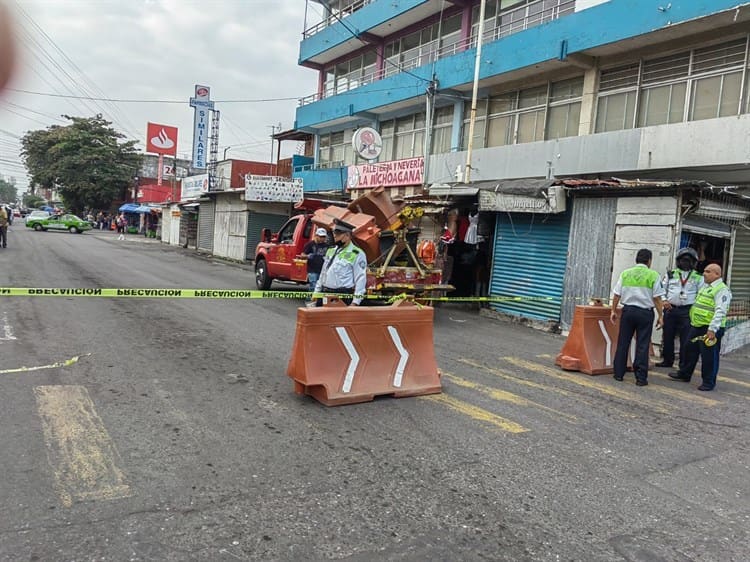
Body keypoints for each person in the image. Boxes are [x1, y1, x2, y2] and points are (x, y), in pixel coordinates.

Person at [669, 264, 732, 391]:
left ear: (717, 275)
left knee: (709, 356)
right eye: (704, 271)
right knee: (689, 348)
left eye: (708, 272)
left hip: (710, 328)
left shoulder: (721, 290)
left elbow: (720, 311)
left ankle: (708, 382)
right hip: (697, 325)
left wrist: (712, 329)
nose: (704, 273)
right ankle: (685, 373)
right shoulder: (706, 287)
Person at [610, 248, 665, 386]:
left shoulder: (625, 273)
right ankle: (640, 378)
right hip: (645, 313)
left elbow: (617, 294)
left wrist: (613, 310)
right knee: (642, 344)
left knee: (623, 342)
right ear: (649, 261)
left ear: (636, 259)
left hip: (628, 311)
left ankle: (618, 374)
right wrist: (661, 315)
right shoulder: (653, 275)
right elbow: (657, 298)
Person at [655, 247, 703, 369]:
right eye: (683, 260)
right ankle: (667, 360)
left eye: (689, 260)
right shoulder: (671, 274)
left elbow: (701, 294)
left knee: (685, 339)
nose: (685, 262)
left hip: (687, 311)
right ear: (678, 261)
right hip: (670, 309)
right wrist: (664, 301)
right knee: (667, 336)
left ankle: (683, 364)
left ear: (693, 262)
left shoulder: (698, 277)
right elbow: (661, 290)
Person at [314, 220, 367, 306]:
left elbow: (360, 279)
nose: (335, 236)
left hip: (341, 296)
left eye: (338, 233)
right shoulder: (331, 250)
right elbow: (323, 272)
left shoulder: (356, 253)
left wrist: (355, 302)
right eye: (334, 233)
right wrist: (316, 292)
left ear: (347, 235)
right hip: (324, 293)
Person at [301, 227, 330, 297]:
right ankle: (310, 301)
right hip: (312, 269)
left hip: (322, 270)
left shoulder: (327, 246)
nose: (322, 238)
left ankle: (317, 301)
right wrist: (308, 256)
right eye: (320, 236)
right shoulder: (310, 244)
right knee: (313, 286)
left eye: (324, 237)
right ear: (316, 236)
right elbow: (302, 255)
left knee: (320, 287)